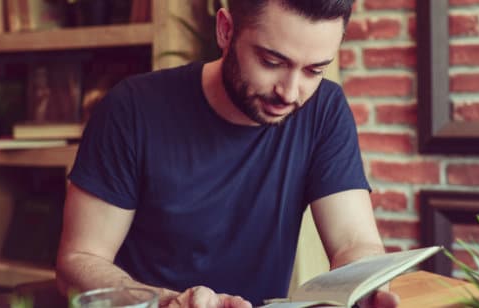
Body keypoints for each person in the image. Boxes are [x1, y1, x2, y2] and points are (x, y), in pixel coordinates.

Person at [56, 0, 400, 307]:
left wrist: (364, 286)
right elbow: (78, 260)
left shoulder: (325, 109)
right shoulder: (132, 109)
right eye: (271, 61)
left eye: (315, 70)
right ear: (225, 30)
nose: (291, 92)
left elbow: (353, 241)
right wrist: (170, 302)